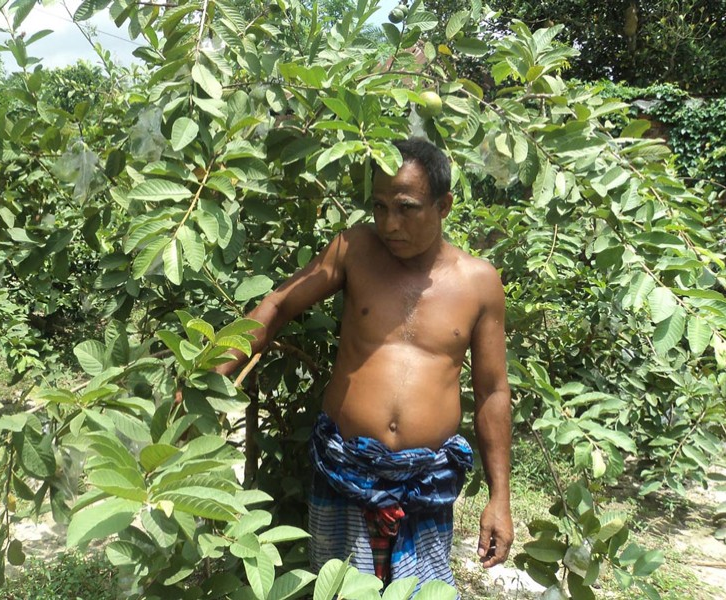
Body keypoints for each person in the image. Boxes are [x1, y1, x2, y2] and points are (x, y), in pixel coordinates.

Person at [216, 137, 513, 590]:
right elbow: (277, 306)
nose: (390, 223)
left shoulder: (479, 282)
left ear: (444, 205)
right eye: (379, 207)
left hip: (424, 484)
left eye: (406, 207)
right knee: (337, 590)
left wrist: (501, 497)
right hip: (344, 470)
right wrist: (210, 372)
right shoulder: (353, 250)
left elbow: (493, 392)